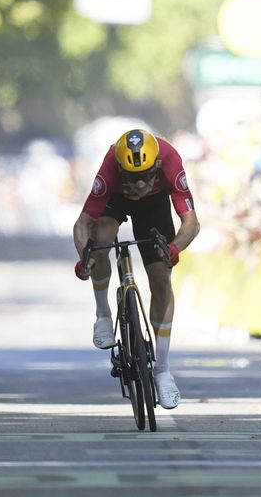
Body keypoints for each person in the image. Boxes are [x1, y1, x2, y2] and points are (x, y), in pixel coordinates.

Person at [72, 129, 199, 409]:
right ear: (120, 170)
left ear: (157, 166)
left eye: (146, 176)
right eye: (132, 177)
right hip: (116, 201)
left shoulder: (170, 160)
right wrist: (85, 258)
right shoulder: (110, 164)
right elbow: (82, 224)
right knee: (102, 237)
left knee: (161, 277)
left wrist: (174, 248)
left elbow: (191, 223)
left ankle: (163, 369)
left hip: (154, 207)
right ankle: (103, 313)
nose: (139, 183)